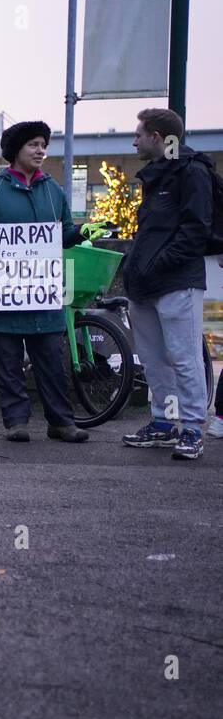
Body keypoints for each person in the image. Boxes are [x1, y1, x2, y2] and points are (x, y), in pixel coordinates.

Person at [0, 121, 88, 443]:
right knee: (8, 362)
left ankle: (61, 422)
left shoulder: (53, 190)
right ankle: (16, 422)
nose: (41, 151)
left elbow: (63, 233)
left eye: (44, 145)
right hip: (3, 293)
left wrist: (84, 232)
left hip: (42, 292)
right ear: (16, 150)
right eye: (34, 144)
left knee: (51, 362)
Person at [120, 108, 216, 460]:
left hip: (176, 281)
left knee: (184, 356)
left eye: (139, 135)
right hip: (147, 284)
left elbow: (195, 229)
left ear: (157, 137)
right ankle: (163, 423)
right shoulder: (159, 174)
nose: (134, 141)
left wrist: (155, 265)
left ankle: (191, 428)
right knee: (154, 359)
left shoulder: (192, 171)